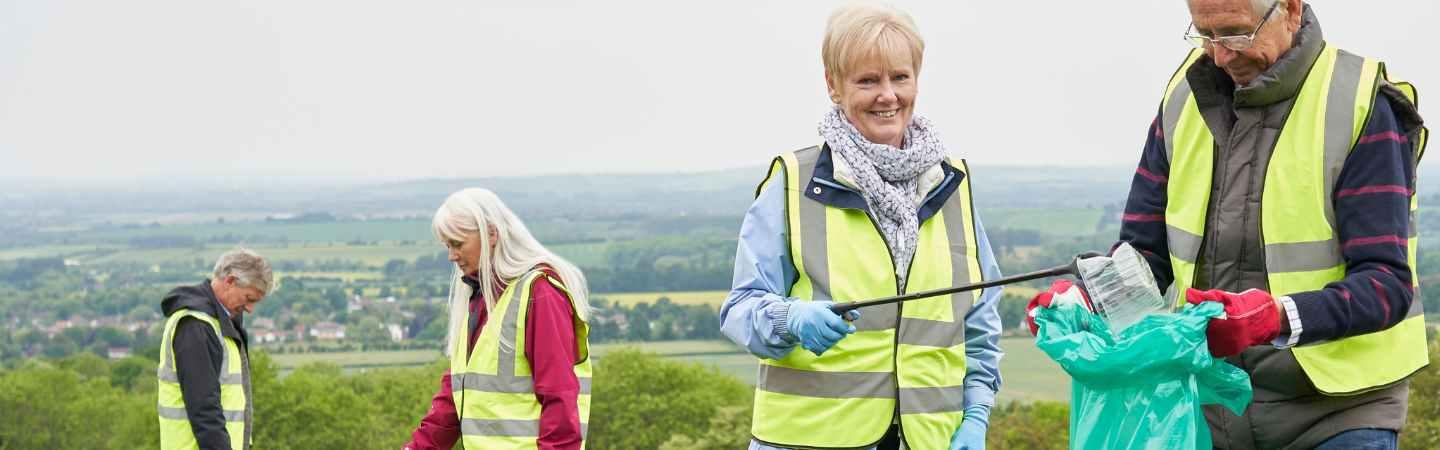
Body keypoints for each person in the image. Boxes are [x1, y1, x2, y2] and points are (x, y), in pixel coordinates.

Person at [1029, 1, 1429, 448]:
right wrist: (1082, 300)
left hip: (1336, 414)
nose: (1220, 54)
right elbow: (1143, 257)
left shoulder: (1361, 104)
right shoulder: (1182, 98)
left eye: (1236, 33)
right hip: (1211, 407)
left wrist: (1274, 318)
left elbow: (1385, 284)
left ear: (1291, 10)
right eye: (1205, 33)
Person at [719, 3, 1004, 449]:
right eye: (867, 80)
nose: (887, 95)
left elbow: (980, 321)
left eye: (900, 77)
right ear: (834, 86)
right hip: (809, 440)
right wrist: (789, 317)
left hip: (930, 440)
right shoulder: (794, 181)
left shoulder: (953, 185)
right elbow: (739, 310)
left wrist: (977, 415)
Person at [404, 188, 592, 450]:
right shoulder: (479, 296)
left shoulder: (540, 293)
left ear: (491, 233)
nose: (451, 255)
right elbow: (456, 398)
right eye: (447, 246)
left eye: (457, 243)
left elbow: (559, 398)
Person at [158, 248, 273, 450]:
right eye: (249, 298)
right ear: (230, 281)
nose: (250, 308)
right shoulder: (196, 326)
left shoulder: (219, 322)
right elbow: (204, 409)